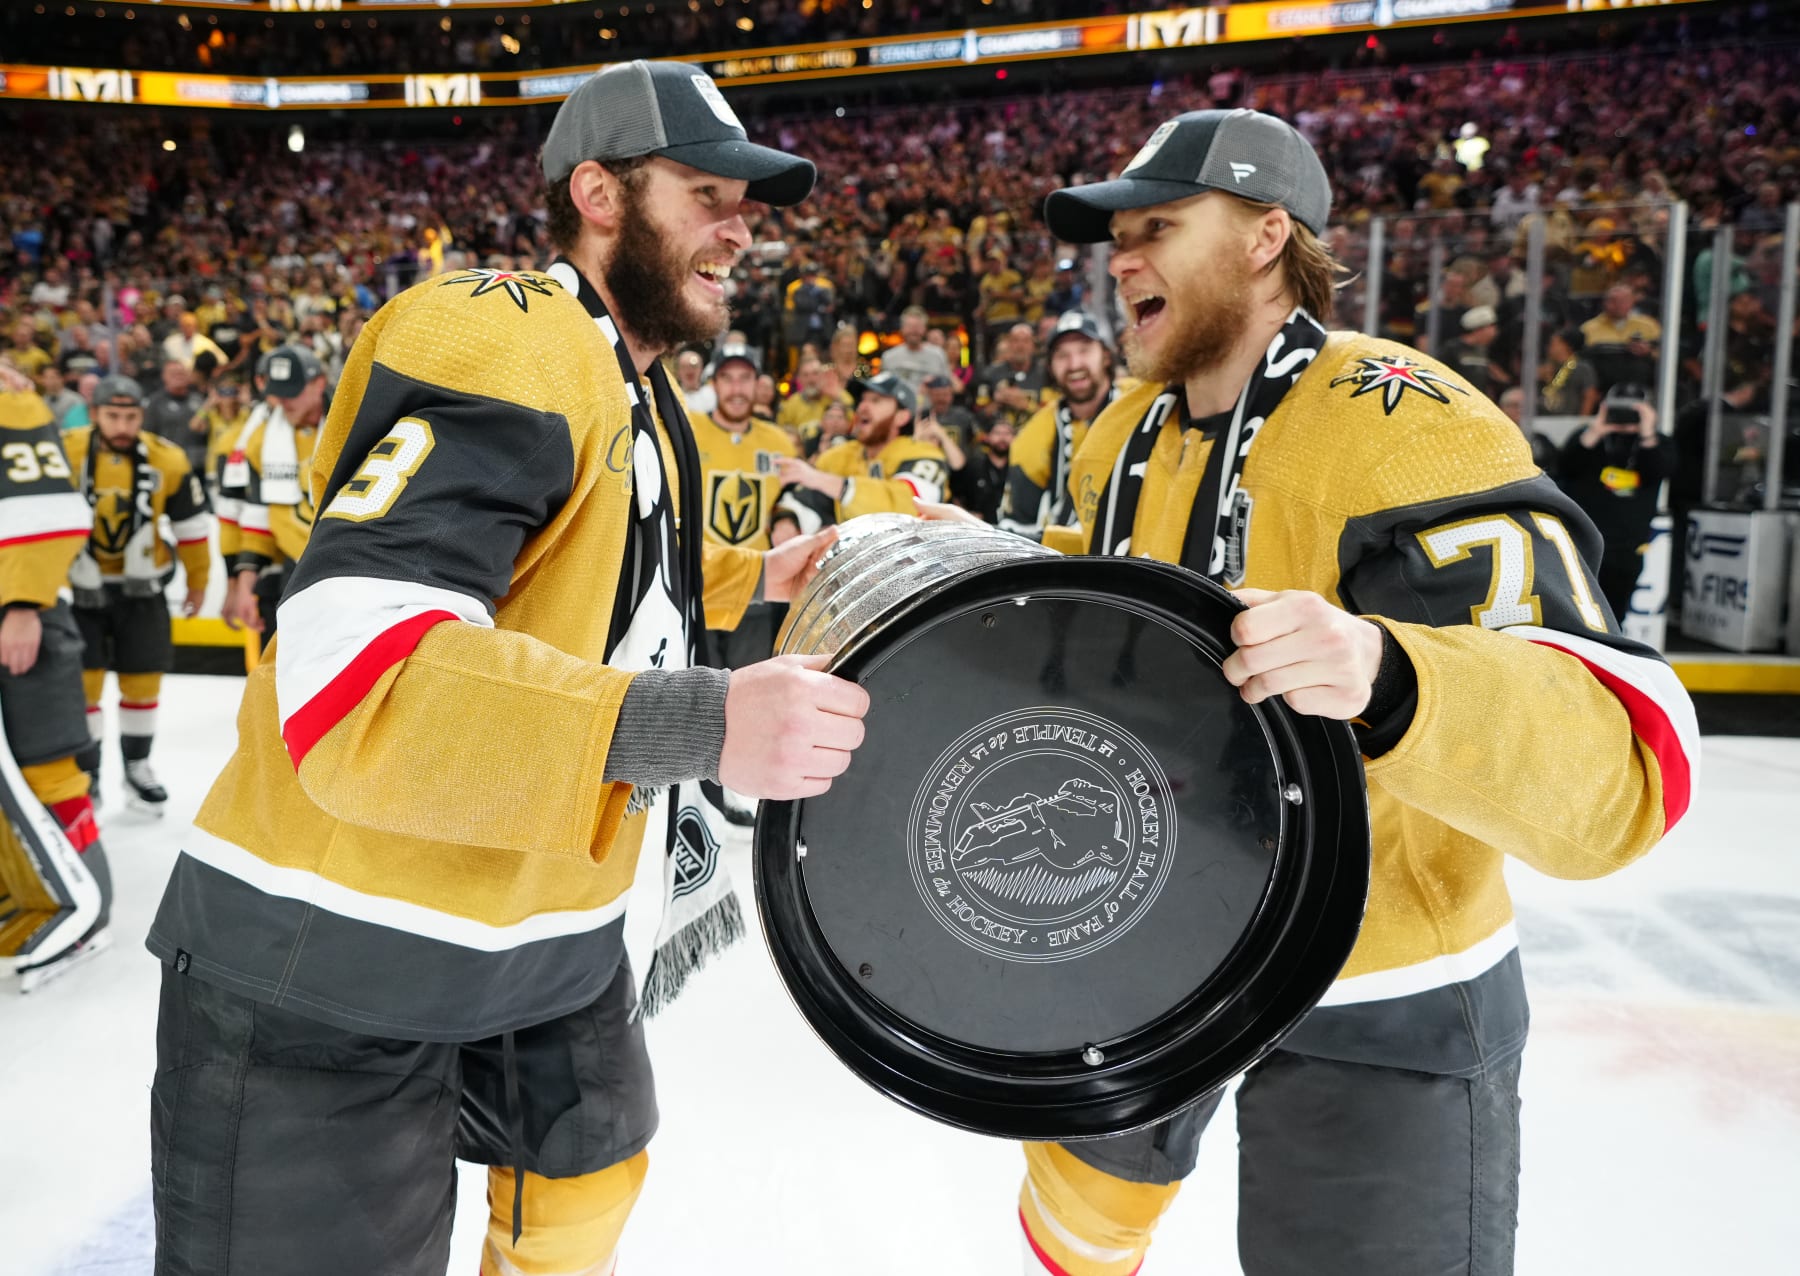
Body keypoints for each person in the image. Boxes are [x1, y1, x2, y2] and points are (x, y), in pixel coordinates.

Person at [145, 60, 866, 1276]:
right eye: (707, 194)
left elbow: (595, 575)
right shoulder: (501, 334)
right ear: (598, 193)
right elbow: (360, 675)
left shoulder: (639, 387)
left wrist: (760, 580)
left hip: (536, 930)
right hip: (331, 950)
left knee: (591, 1171)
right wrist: (701, 722)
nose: (743, 230)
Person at [990, 107, 1697, 1276]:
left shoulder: (1399, 418)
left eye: (1158, 225)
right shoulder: (1123, 431)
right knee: (1076, 1232)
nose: (1120, 258)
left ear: (1269, 235)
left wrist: (1392, 675)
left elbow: (1622, 767)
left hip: (1379, 996)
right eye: (1114, 234)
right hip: (1155, 957)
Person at [0, 364, 114, 991]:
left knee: (45, 761)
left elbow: (48, 509)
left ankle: (86, 911)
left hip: (22, 612)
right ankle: (23, 898)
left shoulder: (7, 400)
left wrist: (21, 606)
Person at [62, 375, 211, 815]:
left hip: (142, 589)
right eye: (113, 416)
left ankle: (137, 767)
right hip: (77, 587)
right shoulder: (63, 450)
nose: (122, 425)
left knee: (143, 681)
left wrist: (198, 582)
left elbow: (192, 529)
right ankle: (87, 775)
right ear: (95, 415)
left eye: (130, 416)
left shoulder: (169, 459)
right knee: (84, 687)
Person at [692, 343, 800, 667]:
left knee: (749, 691)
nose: (736, 389)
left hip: (755, 585)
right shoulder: (688, 429)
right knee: (697, 695)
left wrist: (787, 517)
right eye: (728, 378)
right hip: (699, 583)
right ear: (714, 383)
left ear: (757, 385)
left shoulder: (778, 442)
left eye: (745, 378)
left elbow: (792, 497)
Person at [220, 345, 328, 639]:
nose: (283, 400)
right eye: (277, 391)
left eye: (292, 391)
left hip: (351, 568)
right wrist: (243, 588)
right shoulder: (260, 440)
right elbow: (256, 519)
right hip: (295, 573)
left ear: (319, 383)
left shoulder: (356, 428)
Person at [999, 311, 1125, 541]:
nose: (1074, 364)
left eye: (1084, 350)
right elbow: (1016, 532)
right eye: (1062, 355)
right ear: (1050, 367)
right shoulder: (1033, 435)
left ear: (1106, 356)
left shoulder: (1144, 407)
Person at [1558, 390, 1677, 618]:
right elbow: (1565, 467)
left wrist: (1648, 433)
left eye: (1634, 409)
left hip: (1627, 547)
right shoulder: (1588, 438)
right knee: (1576, 613)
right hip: (1582, 543)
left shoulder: (1657, 443)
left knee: (1614, 615)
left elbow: (1660, 470)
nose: (1625, 415)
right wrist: (1597, 429)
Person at [775, 372, 949, 525]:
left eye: (875, 400)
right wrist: (788, 522)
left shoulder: (925, 455)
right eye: (863, 399)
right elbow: (809, 501)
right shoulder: (839, 455)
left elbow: (909, 507)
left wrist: (839, 486)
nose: (862, 407)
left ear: (901, 417)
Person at [879, 305, 954, 401]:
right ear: (902, 328)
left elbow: (948, 387)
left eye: (918, 326)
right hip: (899, 411)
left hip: (931, 411)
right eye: (910, 326)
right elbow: (883, 390)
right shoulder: (888, 357)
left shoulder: (938, 354)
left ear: (924, 329)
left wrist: (934, 384)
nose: (914, 331)